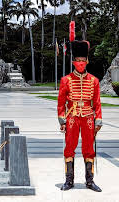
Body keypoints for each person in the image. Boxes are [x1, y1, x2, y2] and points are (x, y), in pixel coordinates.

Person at [58, 40, 102, 192]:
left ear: (87, 61)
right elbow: (60, 103)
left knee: (89, 149)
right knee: (69, 148)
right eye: (78, 60)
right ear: (74, 61)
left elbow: (97, 103)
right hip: (72, 117)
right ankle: (69, 181)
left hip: (89, 117)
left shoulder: (94, 81)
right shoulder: (66, 80)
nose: (81, 63)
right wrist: (62, 120)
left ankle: (90, 181)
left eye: (83, 61)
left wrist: (98, 120)